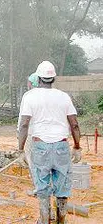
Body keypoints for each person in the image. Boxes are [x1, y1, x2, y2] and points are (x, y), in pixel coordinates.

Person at [18, 61, 81, 224]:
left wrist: (20, 150)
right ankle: (61, 220)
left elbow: (24, 124)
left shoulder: (30, 96)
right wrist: (77, 146)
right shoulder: (63, 96)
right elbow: (74, 124)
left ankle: (44, 220)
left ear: (38, 78)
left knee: (42, 187)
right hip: (61, 146)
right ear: (53, 78)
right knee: (62, 186)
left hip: (40, 147)